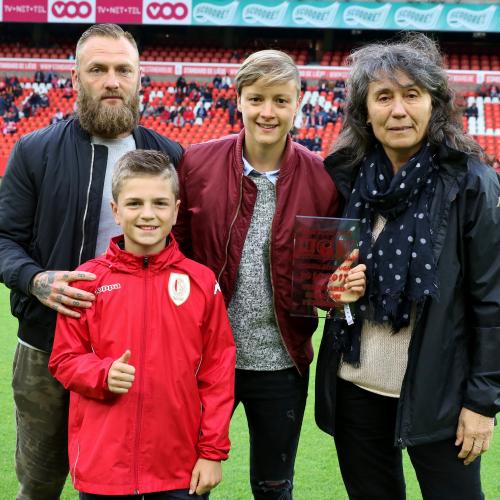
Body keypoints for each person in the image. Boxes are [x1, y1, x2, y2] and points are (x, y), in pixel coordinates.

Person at [0, 23, 182, 500]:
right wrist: (37, 279)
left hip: (135, 355)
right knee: (39, 483)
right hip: (45, 348)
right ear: (75, 77)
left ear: (141, 77)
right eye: (98, 69)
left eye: (124, 69)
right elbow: (4, 240)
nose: (112, 81)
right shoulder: (34, 151)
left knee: (123, 482)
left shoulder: (170, 156)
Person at [173, 50, 366, 499]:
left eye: (280, 100)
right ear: (238, 99)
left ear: (298, 102)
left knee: (274, 486)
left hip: (281, 363)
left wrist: (334, 291)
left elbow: (318, 282)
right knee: (186, 481)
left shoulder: (322, 179)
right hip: (202, 360)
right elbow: (175, 255)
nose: (268, 112)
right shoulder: (196, 163)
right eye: (257, 98)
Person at [316, 33, 500, 500]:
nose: (398, 110)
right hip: (356, 385)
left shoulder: (472, 182)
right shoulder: (349, 177)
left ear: (434, 104)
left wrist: (482, 402)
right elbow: (327, 274)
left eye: (411, 95)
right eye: (383, 97)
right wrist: (335, 287)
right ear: (365, 111)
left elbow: (491, 300)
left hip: (439, 394)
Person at [49, 150, 235, 499]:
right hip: (104, 468)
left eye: (159, 203)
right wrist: (102, 374)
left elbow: (218, 373)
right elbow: (63, 360)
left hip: (179, 471)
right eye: (134, 203)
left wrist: (211, 453)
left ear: (176, 210)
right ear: (116, 211)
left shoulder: (200, 282)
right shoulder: (86, 281)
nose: (147, 214)